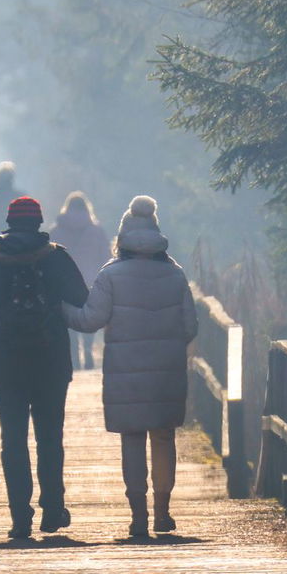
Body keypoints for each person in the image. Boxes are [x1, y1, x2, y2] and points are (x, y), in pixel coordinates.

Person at [62, 196, 197, 540]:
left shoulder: (111, 274)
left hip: (126, 374)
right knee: (164, 437)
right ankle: (163, 512)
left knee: (133, 438)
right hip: (166, 371)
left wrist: (59, 309)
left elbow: (90, 319)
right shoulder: (175, 273)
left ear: (121, 238)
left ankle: (138, 515)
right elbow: (190, 326)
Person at [0, 196, 89, 540]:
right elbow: (81, 297)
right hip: (50, 360)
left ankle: (20, 517)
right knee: (50, 437)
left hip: (5, 362)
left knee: (12, 439)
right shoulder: (56, 257)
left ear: (9, 221)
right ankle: (52, 509)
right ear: (39, 221)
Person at [49, 192, 112, 369]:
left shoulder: (56, 231)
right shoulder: (96, 231)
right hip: (91, 282)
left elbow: (49, 259)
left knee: (68, 320)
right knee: (88, 318)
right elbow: (106, 258)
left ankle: (74, 358)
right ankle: (88, 349)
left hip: (64, 284)